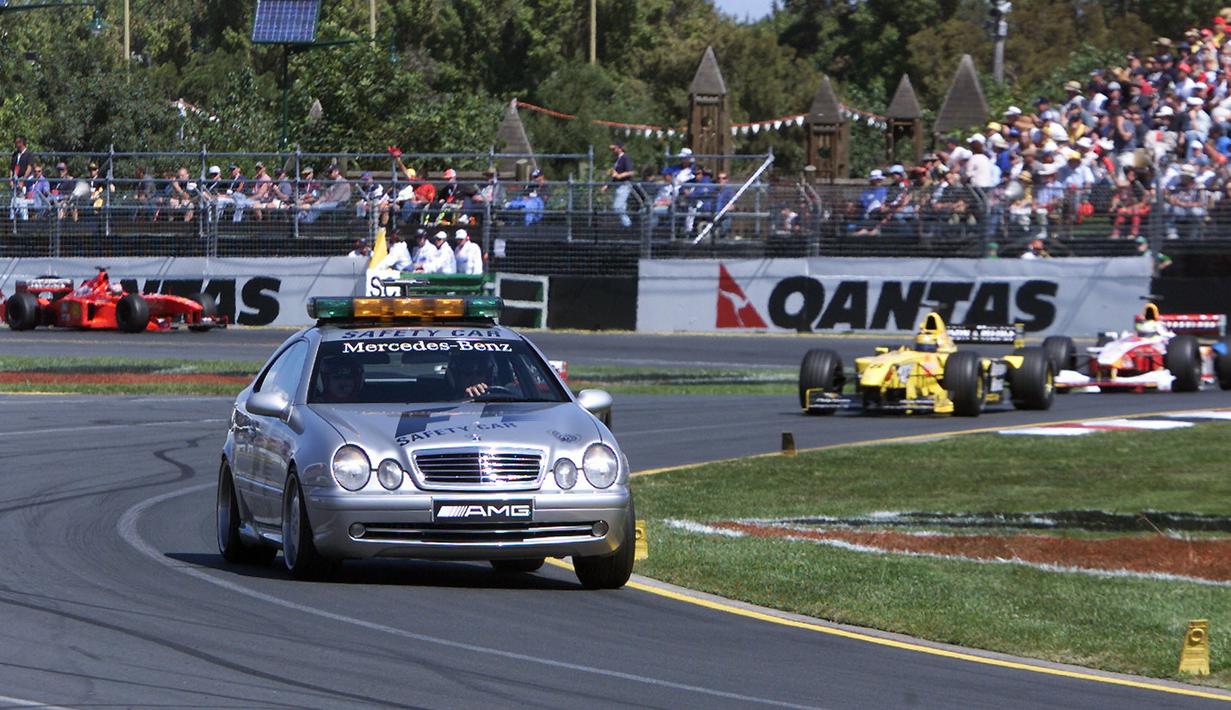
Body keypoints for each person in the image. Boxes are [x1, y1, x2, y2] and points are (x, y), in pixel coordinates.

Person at [602, 141, 635, 228]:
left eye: (614, 148)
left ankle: (628, 224)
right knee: (622, 208)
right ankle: (626, 228)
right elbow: (615, 176)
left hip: (624, 185)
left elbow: (630, 172)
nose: (613, 150)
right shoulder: (618, 159)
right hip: (619, 186)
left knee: (617, 207)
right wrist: (608, 186)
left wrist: (619, 176)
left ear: (620, 148)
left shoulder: (625, 158)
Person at [9, 136, 33, 220]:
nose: (16, 144)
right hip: (15, 180)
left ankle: (24, 223)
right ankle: (12, 222)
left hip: (24, 181)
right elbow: (11, 168)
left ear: (21, 143)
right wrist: (11, 179)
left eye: (17, 142)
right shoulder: (15, 154)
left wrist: (23, 179)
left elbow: (29, 167)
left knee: (22, 204)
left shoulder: (28, 154)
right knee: (13, 203)